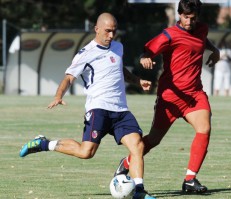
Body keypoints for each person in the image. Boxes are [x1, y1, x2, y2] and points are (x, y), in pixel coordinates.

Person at [19, 13, 156, 199]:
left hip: (121, 110)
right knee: (86, 152)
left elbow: (119, 69)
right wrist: (58, 95)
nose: (111, 36)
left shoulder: (118, 47)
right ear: (97, 29)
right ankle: (43, 143)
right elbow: (69, 77)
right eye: (107, 31)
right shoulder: (86, 53)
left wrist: (137, 81)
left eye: (114, 31)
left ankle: (139, 191)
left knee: (137, 147)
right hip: (98, 108)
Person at [114, 0, 220, 194]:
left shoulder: (201, 29)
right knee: (154, 139)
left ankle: (190, 179)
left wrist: (215, 50)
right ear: (179, 14)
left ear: (198, 17)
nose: (188, 21)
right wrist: (145, 57)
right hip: (170, 97)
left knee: (204, 128)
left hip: (194, 94)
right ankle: (127, 161)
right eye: (185, 17)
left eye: (192, 18)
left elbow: (202, 40)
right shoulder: (169, 35)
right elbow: (148, 50)